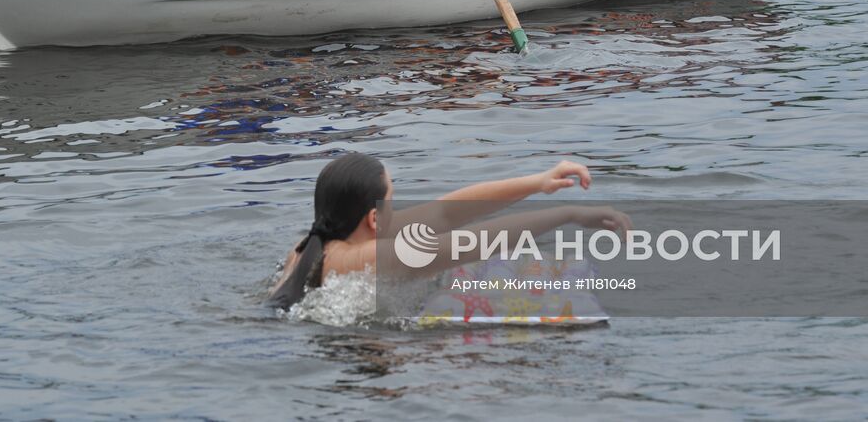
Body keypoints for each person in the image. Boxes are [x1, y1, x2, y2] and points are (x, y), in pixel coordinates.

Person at [264, 152, 631, 311]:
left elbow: (444, 211)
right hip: (355, 354)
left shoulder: (309, 245)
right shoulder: (373, 257)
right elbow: (474, 242)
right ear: (374, 219)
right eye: (393, 197)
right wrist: (567, 214)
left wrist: (539, 183)